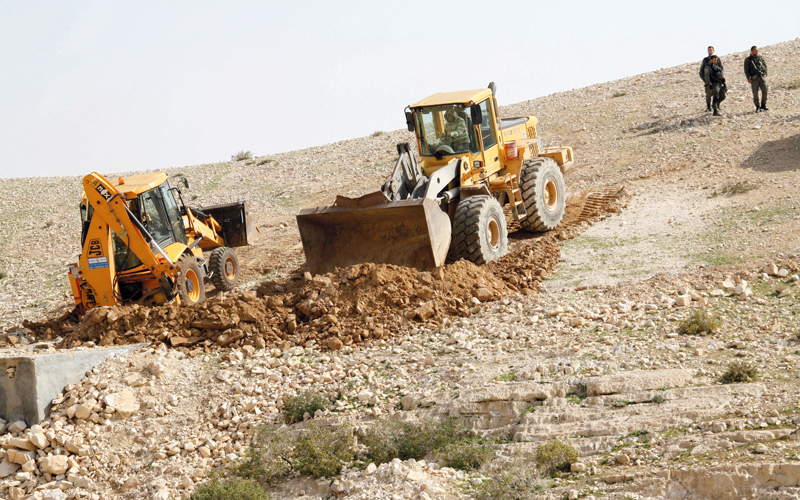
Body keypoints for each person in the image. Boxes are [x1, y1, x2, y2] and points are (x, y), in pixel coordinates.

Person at [744, 46, 768, 112]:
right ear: (752, 51)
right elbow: (746, 70)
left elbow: (764, 65)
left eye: (757, 51)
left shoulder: (760, 58)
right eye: (755, 51)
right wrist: (748, 77)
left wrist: (765, 72)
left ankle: (763, 105)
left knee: (765, 90)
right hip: (754, 78)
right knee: (755, 93)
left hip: (762, 77)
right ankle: (757, 106)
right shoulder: (748, 60)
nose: (757, 52)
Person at [699, 46, 723, 112]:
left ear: (713, 50)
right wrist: (705, 80)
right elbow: (701, 71)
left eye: (711, 50)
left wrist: (720, 78)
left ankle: (716, 105)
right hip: (708, 80)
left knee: (718, 93)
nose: (710, 51)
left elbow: (721, 69)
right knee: (708, 94)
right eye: (708, 50)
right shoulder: (705, 60)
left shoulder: (717, 59)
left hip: (716, 80)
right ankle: (708, 107)